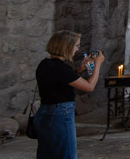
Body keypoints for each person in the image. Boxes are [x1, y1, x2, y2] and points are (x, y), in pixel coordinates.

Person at [34, 31, 105, 159]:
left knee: (48, 154)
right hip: (59, 114)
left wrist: (80, 69)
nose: (77, 49)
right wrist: (98, 64)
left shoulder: (45, 64)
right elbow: (89, 86)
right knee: (67, 154)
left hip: (46, 112)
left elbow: (63, 80)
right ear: (66, 47)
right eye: (76, 46)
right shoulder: (59, 67)